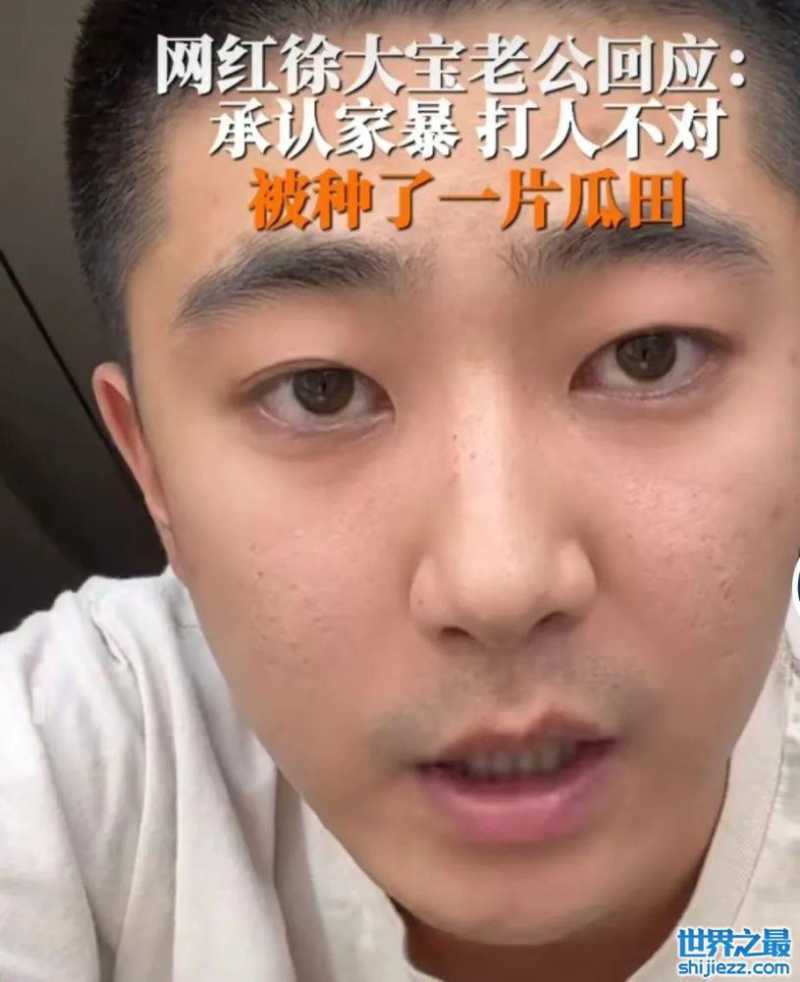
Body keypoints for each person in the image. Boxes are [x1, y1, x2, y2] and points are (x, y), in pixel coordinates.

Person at [2, 1, 799, 979]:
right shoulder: (70, 763)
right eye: (318, 389)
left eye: (648, 354)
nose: (498, 583)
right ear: (152, 467)